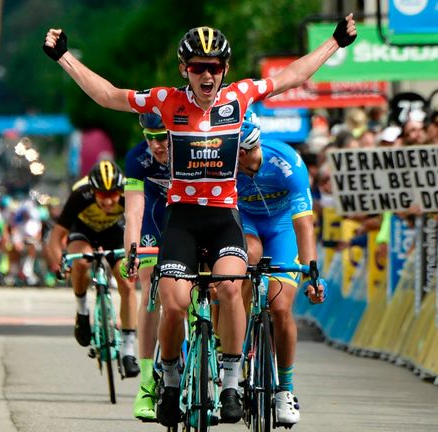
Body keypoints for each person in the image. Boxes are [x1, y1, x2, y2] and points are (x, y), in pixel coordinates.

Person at [43, 16, 356, 426]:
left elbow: (292, 76)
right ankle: (169, 380)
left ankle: (228, 382)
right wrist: (64, 56)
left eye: (214, 67)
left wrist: (335, 41)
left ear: (224, 70)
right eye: (197, 67)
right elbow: (109, 96)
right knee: (172, 304)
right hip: (183, 221)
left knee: (231, 287)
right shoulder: (166, 102)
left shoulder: (239, 98)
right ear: (184, 70)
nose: (206, 74)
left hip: (224, 218)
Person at [236, 113, 326, 426]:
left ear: (244, 151)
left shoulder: (288, 163)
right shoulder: (225, 162)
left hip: (282, 226)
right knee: (250, 254)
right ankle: (235, 339)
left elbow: (304, 224)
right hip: (244, 222)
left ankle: (285, 390)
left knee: (280, 307)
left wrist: (312, 273)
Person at [46, 159, 141, 378]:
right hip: (84, 231)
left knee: (126, 282)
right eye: (102, 196)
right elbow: (56, 237)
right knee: (81, 262)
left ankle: (127, 350)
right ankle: (82, 311)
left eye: (113, 195)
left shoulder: (129, 193)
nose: (108, 202)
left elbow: (140, 225)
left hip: (115, 232)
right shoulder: (80, 195)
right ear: (92, 191)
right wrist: (59, 263)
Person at [123, 113, 170, 422]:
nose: (155, 144)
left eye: (162, 136)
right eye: (149, 137)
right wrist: (132, 251)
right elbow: (134, 211)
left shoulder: (191, 148)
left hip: (186, 216)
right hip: (153, 219)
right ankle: (147, 385)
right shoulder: (138, 158)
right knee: (151, 289)